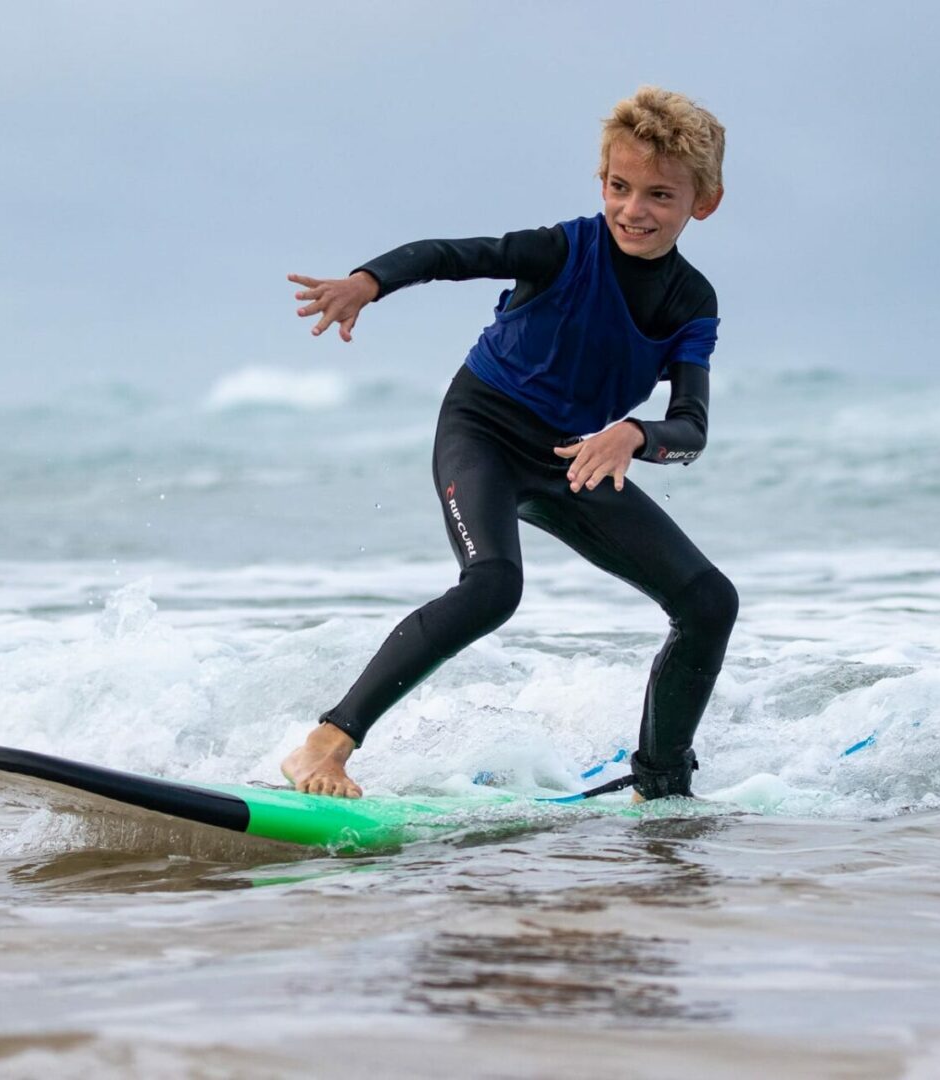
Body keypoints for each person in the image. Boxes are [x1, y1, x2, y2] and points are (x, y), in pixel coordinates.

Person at [280, 86, 739, 801]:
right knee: (494, 585)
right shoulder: (564, 249)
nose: (633, 209)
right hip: (483, 428)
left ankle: (662, 784)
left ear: (702, 203)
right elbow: (449, 254)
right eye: (620, 187)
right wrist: (369, 282)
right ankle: (327, 743)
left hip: (572, 455)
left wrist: (635, 434)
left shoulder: (691, 302)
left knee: (709, 600)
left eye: (659, 195)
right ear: (602, 182)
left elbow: (692, 429)